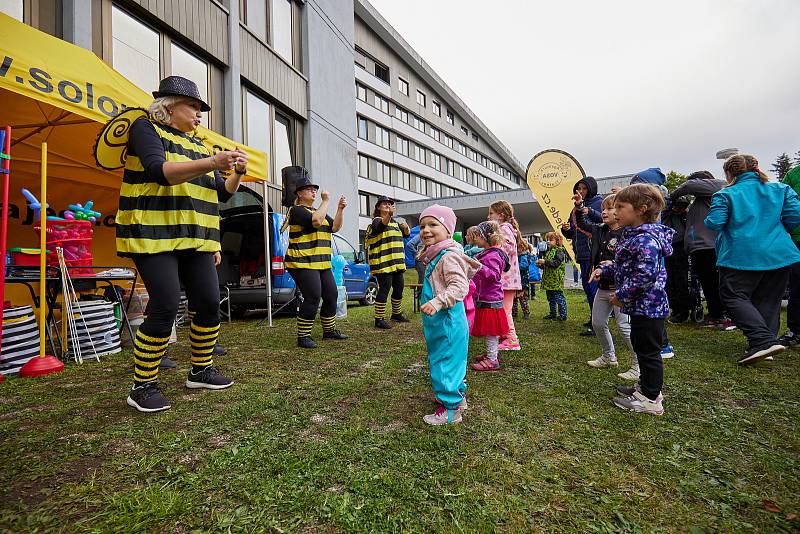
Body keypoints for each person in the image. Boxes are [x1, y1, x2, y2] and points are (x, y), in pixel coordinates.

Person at [116, 76, 247, 413]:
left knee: (207, 301)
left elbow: (222, 192)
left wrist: (237, 173)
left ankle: (201, 371)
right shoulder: (146, 129)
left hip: (197, 237)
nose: (200, 113)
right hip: (153, 232)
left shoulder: (201, 145)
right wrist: (215, 162)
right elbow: (161, 172)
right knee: (166, 304)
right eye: (194, 106)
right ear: (169, 106)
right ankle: (142, 386)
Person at [704, 154, 800, 365]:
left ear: (729, 173)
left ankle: (762, 341)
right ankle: (767, 343)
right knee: (769, 300)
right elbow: (795, 216)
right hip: (779, 253)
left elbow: (715, 223)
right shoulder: (781, 190)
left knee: (733, 297)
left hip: (741, 254)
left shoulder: (725, 194)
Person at [595, 184, 674, 416]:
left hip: (649, 306)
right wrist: (606, 271)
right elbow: (628, 268)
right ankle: (644, 389)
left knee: (649, 353)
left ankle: (651, 399)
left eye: (620, 206)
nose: (615, 211)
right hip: (641, 306)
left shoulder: (645, 239)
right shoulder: (634, 236)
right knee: (641, 347)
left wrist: (622, 295)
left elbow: (644, 275)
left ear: (641, 209)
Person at [418, 205, 480, 425]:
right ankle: (458, 398)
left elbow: (459, 286)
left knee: (444, 362)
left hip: (447, 320)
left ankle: (450, 411)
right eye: (422, 225)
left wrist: (437, 301)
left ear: (447, 229)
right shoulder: (436, 254)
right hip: (441, 322)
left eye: (433, 224)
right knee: (452, 361)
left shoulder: (448, 257)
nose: (426, 230)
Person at [282, 169, 348, 349]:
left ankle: (329, 331)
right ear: (299, 193)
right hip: (301, 261)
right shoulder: (296, 210)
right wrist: (326, 200)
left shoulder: (317, 211)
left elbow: (334, 227)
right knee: (313, 295)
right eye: (309, 189)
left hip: (321, 262)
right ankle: (303, 336)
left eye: (314, 189)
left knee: (331, 294)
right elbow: (316, 222)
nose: (313, 192)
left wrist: (340, 209)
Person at [579, 194, 639, 380]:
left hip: (621, 288)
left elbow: (629, 263)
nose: (605, 212)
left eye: (610, 208)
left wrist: (608, 266)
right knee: (597, 323)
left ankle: (638, 365)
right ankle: (608, 356)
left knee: (624, 327)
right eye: (604, 209)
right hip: (603, 287)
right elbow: (582, 223)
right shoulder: (600, 230)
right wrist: (580, 207)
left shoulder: (629, 234)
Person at [668, 170, 731, 329]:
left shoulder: (717, 188)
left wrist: (672, 196)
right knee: (708, 283)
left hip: (709, 246)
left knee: (713, 282)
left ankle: (722, 315)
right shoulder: (702, 200)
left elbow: (689, 185)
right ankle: (716, 313)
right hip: (700, 247)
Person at [562, 176, 603, 336]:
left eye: (584, 188)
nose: (581, 191)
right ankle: (594, 318)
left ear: (591, 189)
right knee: (587, 288)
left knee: (594, 289)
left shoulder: (598, 203)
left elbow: (605, 220)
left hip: (593, 253)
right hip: (581, 253)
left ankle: (597, 323)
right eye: (578, 188)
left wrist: (589, 211)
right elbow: (573, 231)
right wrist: (565, 230)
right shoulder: (575, 208)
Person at [470, 221, 511, 372]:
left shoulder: (493, 255)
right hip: (486, 297)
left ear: (487, 237)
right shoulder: (488, 253)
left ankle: (492, 360)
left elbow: (493, 275)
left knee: (491, 331)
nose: (475, 239)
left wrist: (479, 266)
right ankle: (490, 354)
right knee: (489, 331)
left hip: (490, 299)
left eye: (478, 236)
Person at [365, 196, 411, 329]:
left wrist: (406, 227)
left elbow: (406, 234)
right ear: (378, 207)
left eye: (390, 204)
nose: (388, 205)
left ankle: (396, 314)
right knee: (384, 288)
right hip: (383, 263)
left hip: (396, 262)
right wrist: (389, 215)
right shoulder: (376, 221)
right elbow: (380, 227)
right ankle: (379, 319)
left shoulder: (395, 223)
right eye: (384, 204)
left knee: (399, 287)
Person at [487, 201, 524, 351]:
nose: (488, 216)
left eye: (491, 213)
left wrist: (493, 247)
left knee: (504, 310)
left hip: (506, 279)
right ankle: (505, 336)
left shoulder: (504, 228)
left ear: (500, 216)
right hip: (508, 279)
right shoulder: (505, 228)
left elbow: (507, 247)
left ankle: (512, 340)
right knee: (503, 309)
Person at [778, 164, 800, 347]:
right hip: (797, 239)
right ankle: (797, 331)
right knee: (797, 286)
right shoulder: (793, 175)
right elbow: (782, 204)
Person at [661, 197, 692, 324]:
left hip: (681, 248)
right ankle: (676, 308)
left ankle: (682, 310)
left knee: (681, 280)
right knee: (670, 280)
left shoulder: (685, 216)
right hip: (669, 248)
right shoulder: (666, 214)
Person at [537, 232, 568, 321]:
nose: (548, 242)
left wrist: (545, 262)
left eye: (551, 240)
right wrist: (540, 265)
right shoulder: (549, 251)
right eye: (547, 240)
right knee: (550, 298)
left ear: (557, 241)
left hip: (556, 279)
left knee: (559, 297)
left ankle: (563, 315)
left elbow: (556, 263)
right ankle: (552, 313)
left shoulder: (559, 250)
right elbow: (548, 265)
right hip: (549, 279)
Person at [513, 242, 532, 319]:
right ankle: (514, 313)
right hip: (517, 281)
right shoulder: (519, 256)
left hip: (522, 281)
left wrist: (515, 266)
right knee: (514, 298)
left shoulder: (523, 256)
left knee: (522, 298)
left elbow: (523, 266)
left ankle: (526, 312)